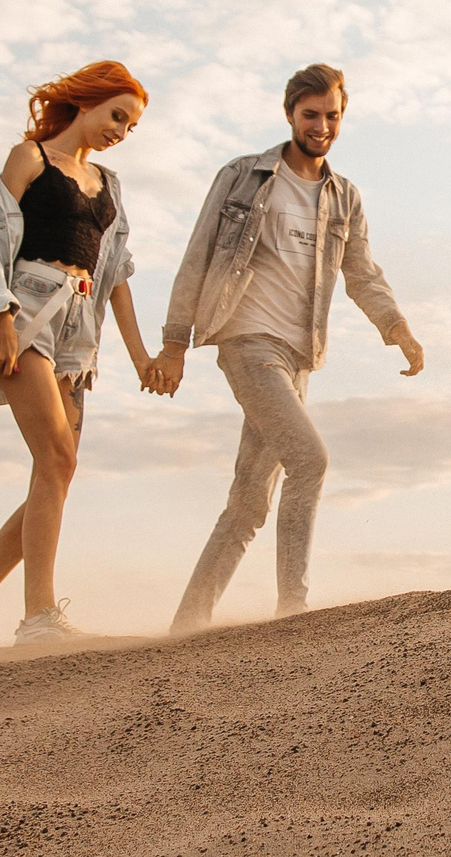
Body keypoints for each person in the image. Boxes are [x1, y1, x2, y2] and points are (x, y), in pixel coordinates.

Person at [151, 63, 424, 633]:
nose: (321, 126)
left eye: (332, 116)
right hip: (246, 341)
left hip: (298, 357)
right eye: (311, 115)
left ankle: (186, 624)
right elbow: (198, 256)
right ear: (290, 115)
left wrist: (396, 327)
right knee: (310, 459)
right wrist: (175, 344)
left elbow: (362, 272)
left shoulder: (343, 197)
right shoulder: (243, 177)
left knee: (249, 502)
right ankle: (292, 607)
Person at [0, 61, 159, 649]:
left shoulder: (109, 186)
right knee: (57, 460)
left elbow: (117, 277)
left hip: (79, 331)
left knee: (55, 474)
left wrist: (142, 359)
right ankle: (38, 617)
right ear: (85, 103)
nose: (121, 131)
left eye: (131, 126)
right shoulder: (30, 158)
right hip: (28, 309)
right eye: (117, 115)